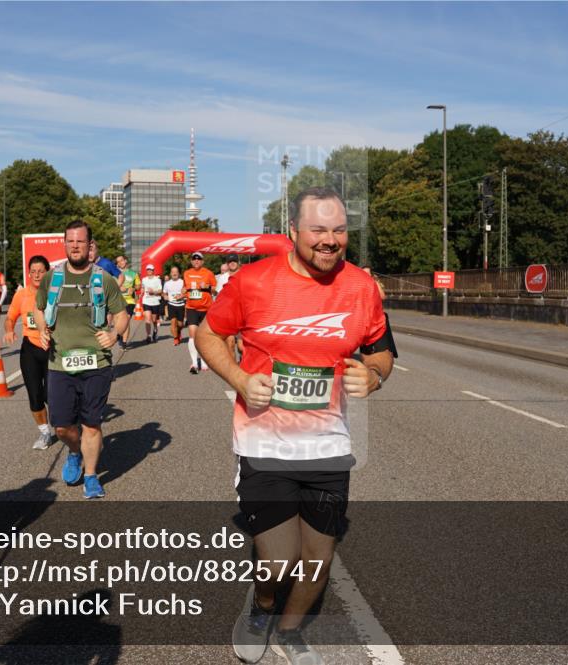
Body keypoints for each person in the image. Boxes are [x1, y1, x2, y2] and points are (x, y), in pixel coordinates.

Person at [196, 187, 394, 665]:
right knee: (280, 559)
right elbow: (208, 334)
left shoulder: (361, 287)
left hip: (328, 444)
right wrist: (241, 378)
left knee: (318, 563)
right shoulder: (253, 282)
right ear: (293, 233)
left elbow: (383, 351)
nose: (330, 240)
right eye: (318, 230)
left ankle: (288, 632)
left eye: (339, 230)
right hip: (264, 440)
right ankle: (262, 609)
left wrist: (375, 375)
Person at [35, 222, 129, 499]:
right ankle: (74, 452)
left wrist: (114, 335)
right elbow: (39, 309)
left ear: (90, 245)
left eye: (81, 242)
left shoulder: (104, 279)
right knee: (62, 427)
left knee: (91, 423)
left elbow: (122, 315)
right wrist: (42, 329)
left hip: (97, 363)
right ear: (64, 244)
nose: (75, 246)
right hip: (59, 364)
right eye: (70, 241)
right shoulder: (52, 279)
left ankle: (90, 477)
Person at [4, 255, 53, 450]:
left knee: (52, 396)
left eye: (41, 271)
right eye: (33, 271)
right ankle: (45, 433)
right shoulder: (21, 295)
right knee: (35, 396)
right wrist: (9, 329)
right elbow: (10, 318)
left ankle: (68, 423)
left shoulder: (54, 293)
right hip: (30, 349)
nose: (36, 275)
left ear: (47, 272)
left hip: (52, 349)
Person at [182, 251, 217, 374]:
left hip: (206, 308)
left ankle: (203, 360)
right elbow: (185, 289)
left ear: (202, 261)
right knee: (192, 333)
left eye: (199, 259)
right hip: (191, 307)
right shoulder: (186, 273)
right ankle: (194, 362)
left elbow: (214, 291)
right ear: (191, 261)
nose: (196, 261)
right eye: (194, 259)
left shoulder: (208, 273)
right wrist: (181, 293)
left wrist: (206, 287)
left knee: (203, 336)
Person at [115, 255, 140, 349]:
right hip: (117, 299)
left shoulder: (133, 274)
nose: (120, 263)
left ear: (125, 261)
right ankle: (120, 335)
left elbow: (138, 285)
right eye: (118, 262)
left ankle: (124, 343)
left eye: (121, 260)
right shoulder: (115, 273)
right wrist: (118, 287)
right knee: (118, 321)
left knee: (126, 319)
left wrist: (133, 288)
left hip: (129, 300)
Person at [163, 266, 185, 346]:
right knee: (173, 322)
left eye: (176, 272)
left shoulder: (183, 282)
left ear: (178, 273)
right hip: (171, 304)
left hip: (181, 305)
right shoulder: (167, 283)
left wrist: (181, 296)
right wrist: (165, 296)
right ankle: (175, 338)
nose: (174, 273)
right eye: (172, 272)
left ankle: (178, 332)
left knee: (180, 324)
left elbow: (185, 292)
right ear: (170, 273)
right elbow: (164, 293)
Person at [140, 264, 163, 343]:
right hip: (146, 301)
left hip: (155, 301)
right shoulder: (144, 279)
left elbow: (160, 291)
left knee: (154, 320)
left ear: (153, 271)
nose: (149, 271)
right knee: (147, 319)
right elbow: (142, 287)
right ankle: (148, 336)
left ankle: (155, 330)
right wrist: (141, 292)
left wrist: (153, 292)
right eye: (148, 270)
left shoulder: (157, 279)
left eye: (151, 270)